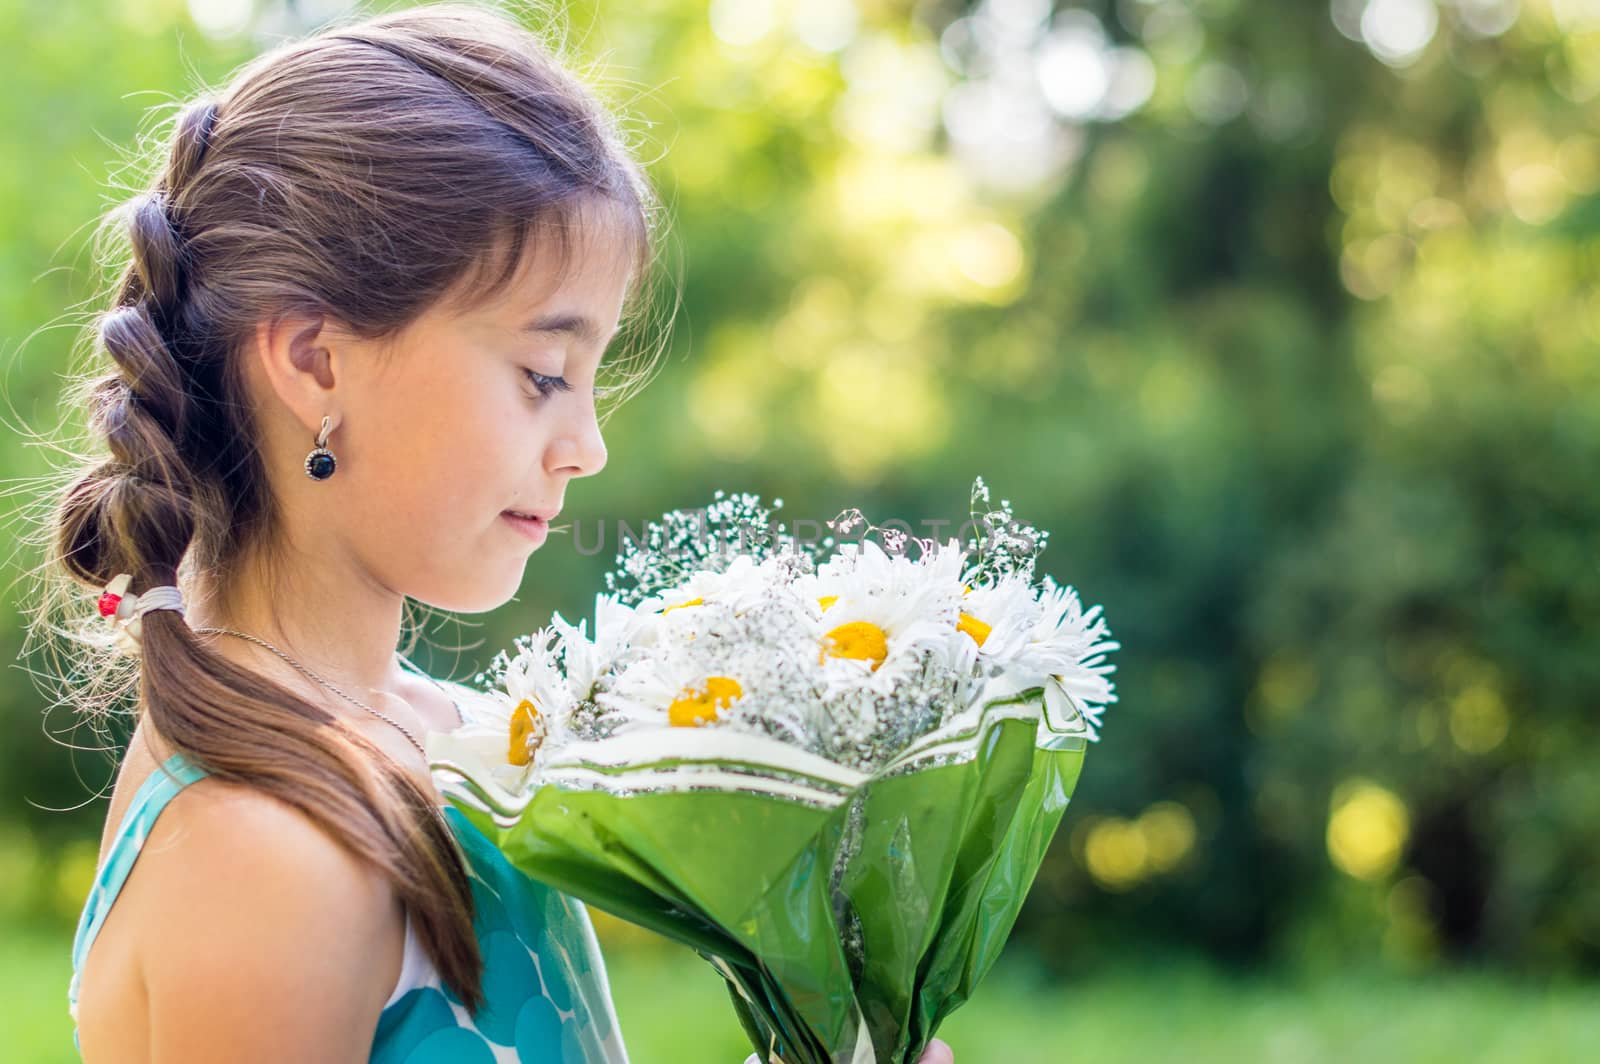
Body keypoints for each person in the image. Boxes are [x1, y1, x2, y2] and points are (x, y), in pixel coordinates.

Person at [29, 2, 957, 1061]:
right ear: (315, 361)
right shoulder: (265, 855)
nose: (587, 445)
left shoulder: (454, 740)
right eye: (543, 375)